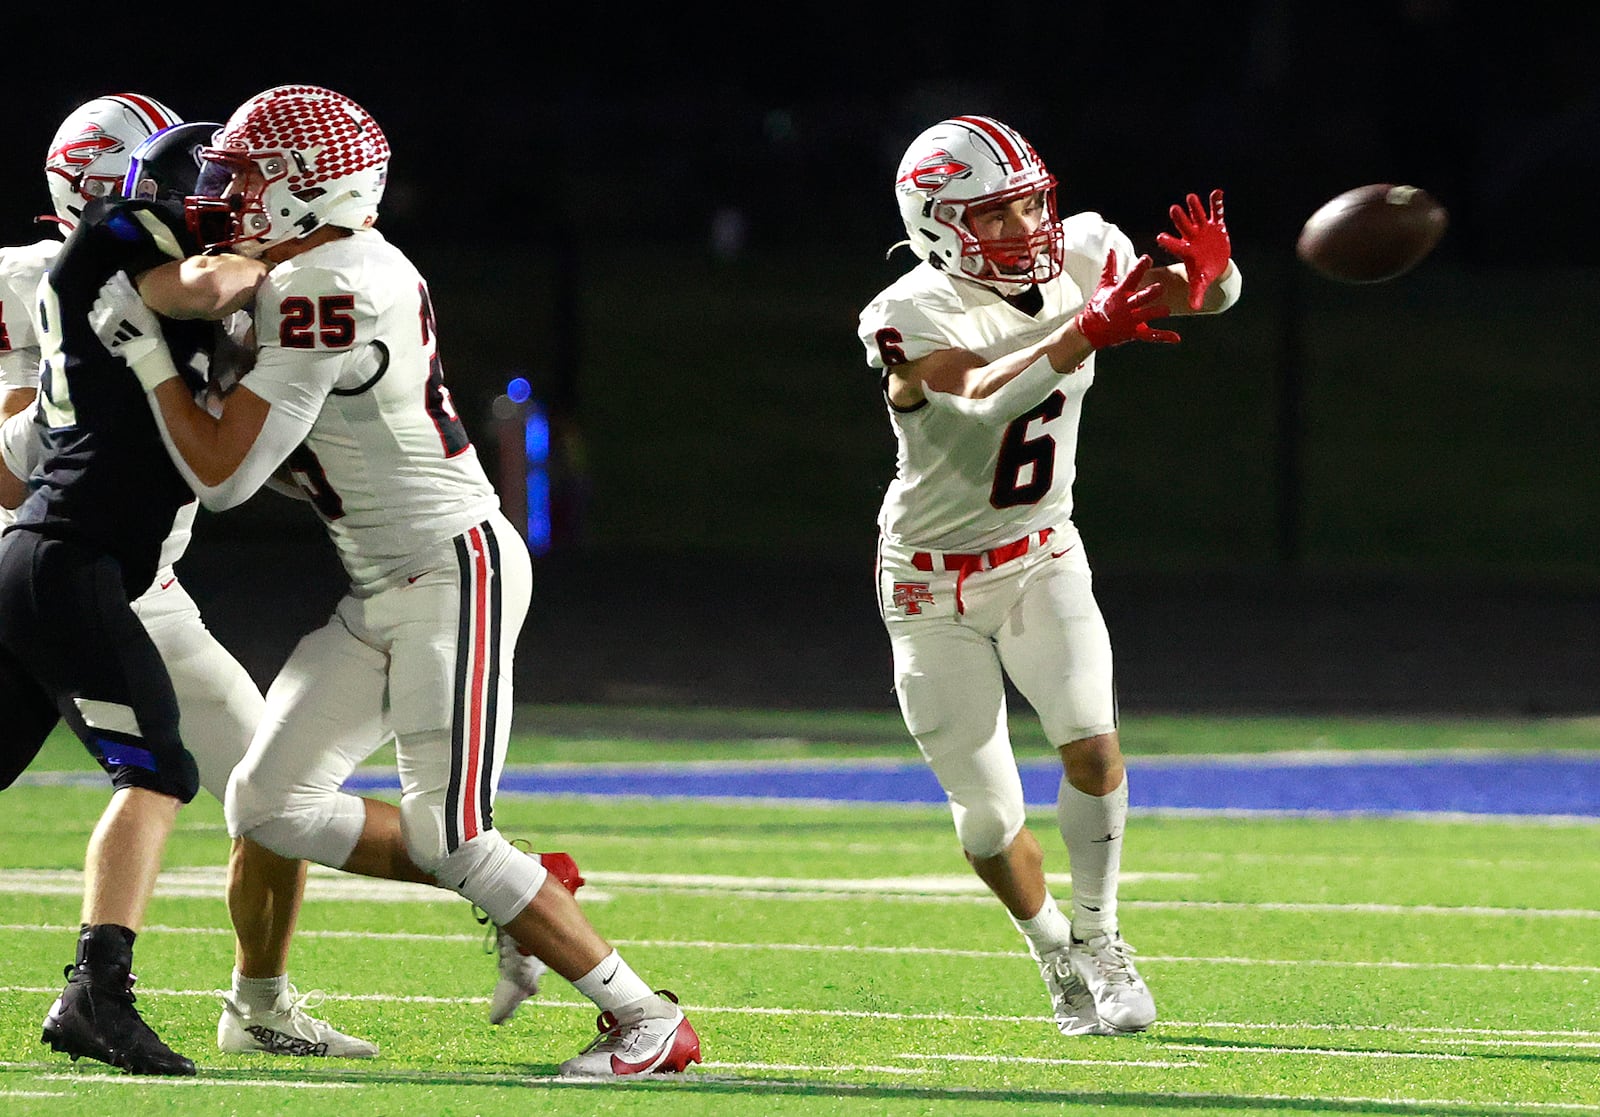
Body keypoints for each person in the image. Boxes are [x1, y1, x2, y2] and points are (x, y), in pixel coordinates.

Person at [92, 84, 701, 1077]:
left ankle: (644, 1019)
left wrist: (151, 360)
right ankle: (491, 906)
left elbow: (227, 476)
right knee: (269, 802)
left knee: (454, 835)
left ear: (305, 190)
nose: (230, 197)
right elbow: (226, 311)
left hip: (452, 573)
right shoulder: (317, 267)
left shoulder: (326, 287)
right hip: (386, 582)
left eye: (249, 179)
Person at [0, 99, 376, 1071]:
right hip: (65, 558)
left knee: (268, 793)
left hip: (113, 571)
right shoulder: (114, 256)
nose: (227, 201)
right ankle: (98, 992)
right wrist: (310, 254)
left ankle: (259, 1000)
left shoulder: (142, 274)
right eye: (206, 187)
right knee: (162, 773)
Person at [856, 114, 1241, 1036]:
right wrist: (1085, 333)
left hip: (1041, 549)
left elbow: (1199, 299)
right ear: (940, 223)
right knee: (989, 819)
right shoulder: (907, 311)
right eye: (994, 215)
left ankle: (1104, 940)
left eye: (1030, 202)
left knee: (1094, 745)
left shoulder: (1084, 251)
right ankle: (1051, 949)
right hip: (930, 584)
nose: (1025, 227)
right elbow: (983, 396)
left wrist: (1217, 274)